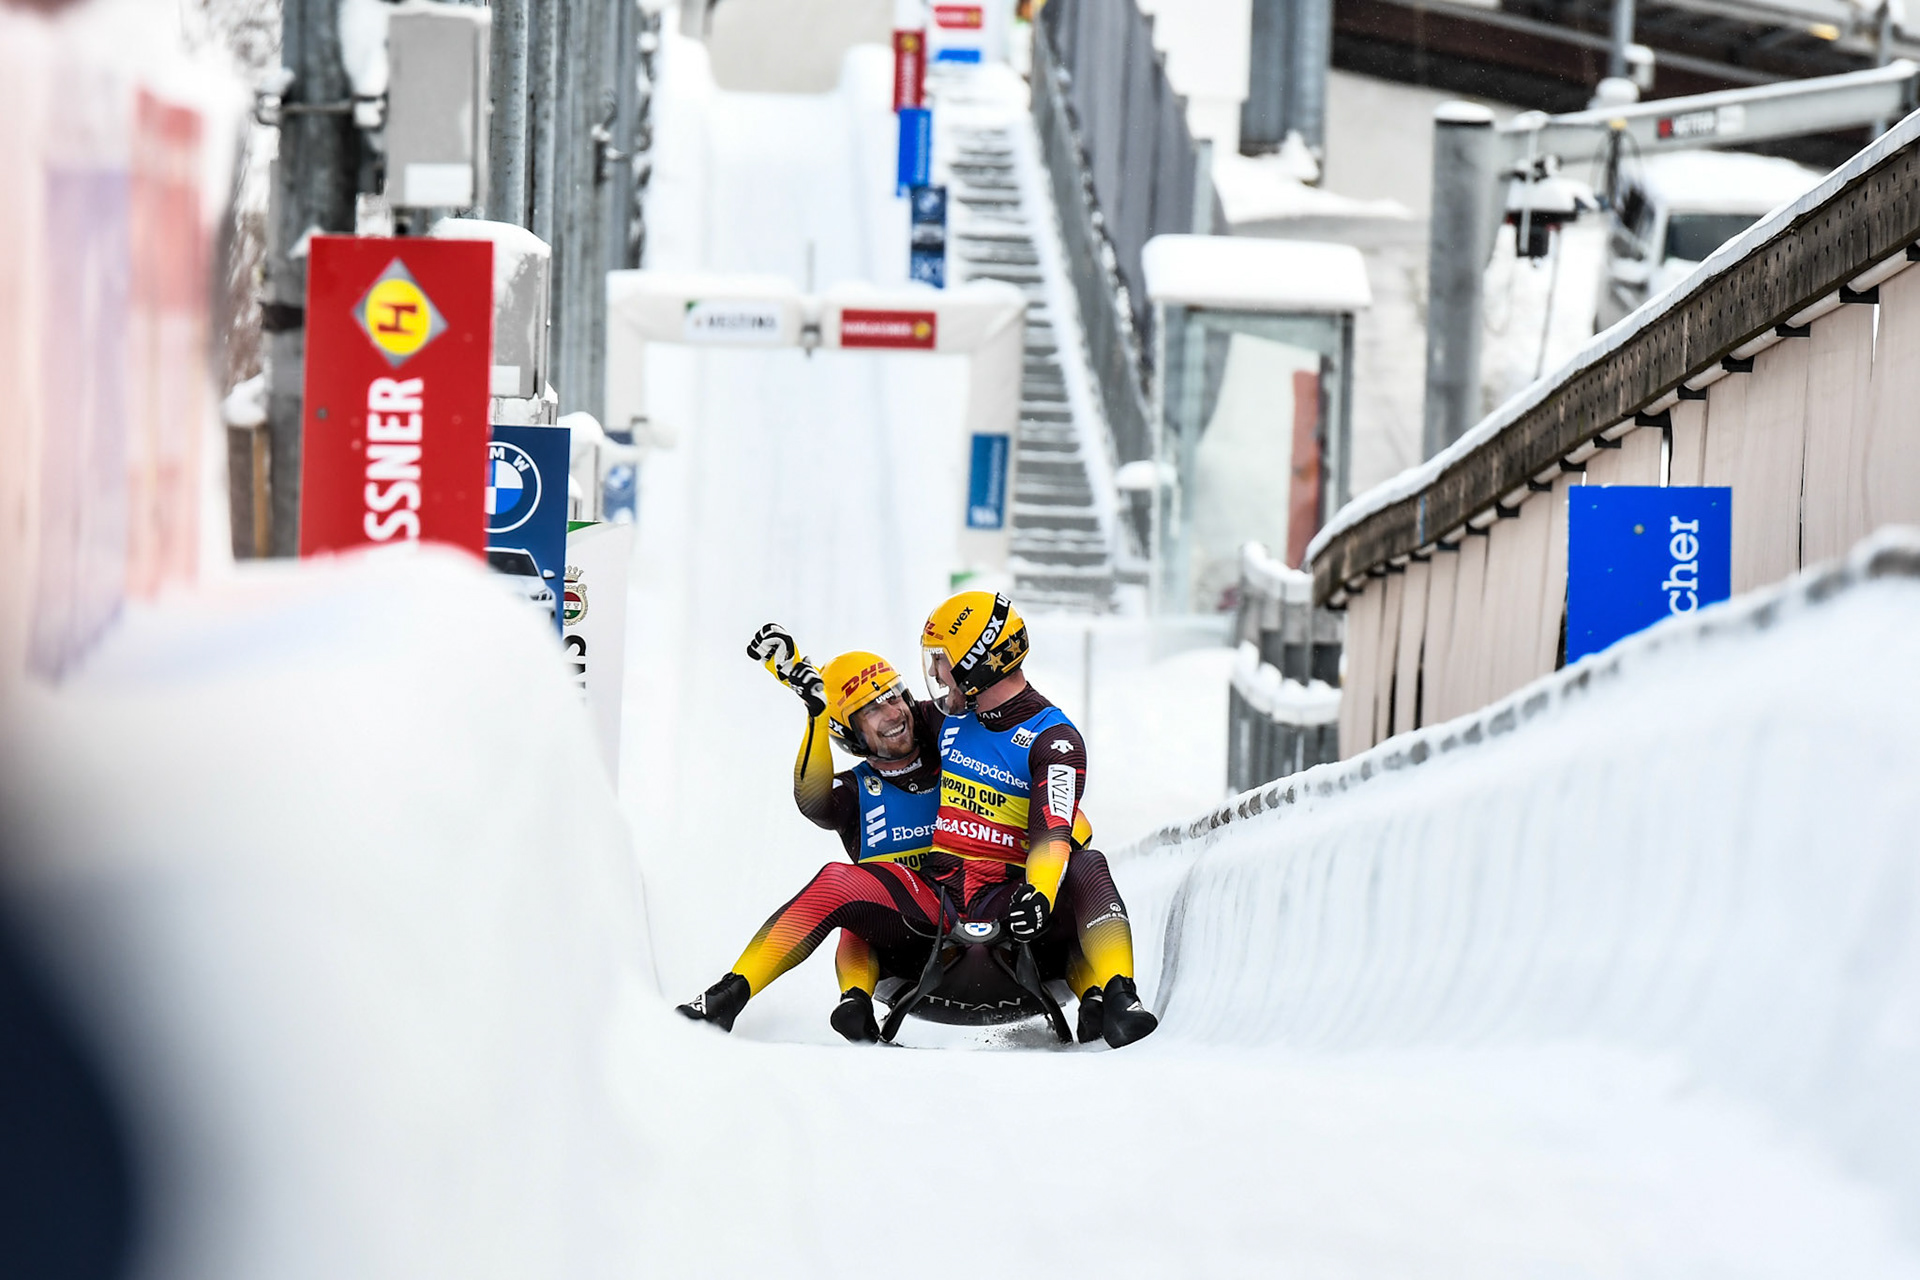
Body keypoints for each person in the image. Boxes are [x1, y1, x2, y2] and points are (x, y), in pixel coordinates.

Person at [676, 631, 955, 1042]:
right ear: (850, 733)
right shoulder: (854, 790)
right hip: (908, 937)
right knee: (848, 891)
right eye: (870, 710)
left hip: (985, 914)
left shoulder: (951, 741)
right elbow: (813, 802)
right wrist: (816, 714)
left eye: (893, 698)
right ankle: (741, 996)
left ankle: (1089, 992)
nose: (892, 714)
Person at [918, 589, 1157, 1046]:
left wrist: (1039, 896)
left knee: (1088, 862)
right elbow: (881, 720)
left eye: (941, 659)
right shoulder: (945, 716)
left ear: (975, 663)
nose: (933, 673)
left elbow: (1053, 831)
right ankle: (1090, 993)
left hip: (1015, 896)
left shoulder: (1054, 738)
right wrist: (815, 695)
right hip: (949, 895)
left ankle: (1120, 995)